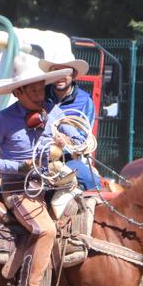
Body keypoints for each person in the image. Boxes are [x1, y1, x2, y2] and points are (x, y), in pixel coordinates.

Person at [0, 54, 72, 286]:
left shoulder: (52, 113)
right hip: (20, 189)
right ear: (18, 92)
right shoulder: (3, 119)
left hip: (53, 183)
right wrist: (16, 167)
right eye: (33, 90)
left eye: (41, 88)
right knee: (46, 229)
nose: (40, 95)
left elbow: (78, 135)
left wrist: (68, 140)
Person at [41, 47, 100, 189]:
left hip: (68, 159)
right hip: (36, 155)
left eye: (65, 71)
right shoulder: (39, 94)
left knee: (91, 182)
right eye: (56, 71)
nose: (60, 76)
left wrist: (66, 142)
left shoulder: (85, 101)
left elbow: (84, 139)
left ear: (73, 74)